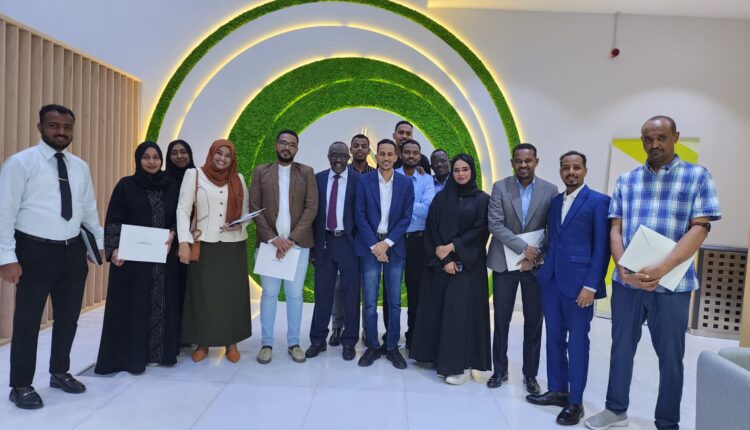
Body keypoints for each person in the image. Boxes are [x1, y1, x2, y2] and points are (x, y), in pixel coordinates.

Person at [585, 116, 721, 430]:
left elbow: (700, 228)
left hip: (673, 284)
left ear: (676, 137)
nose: (654, 144)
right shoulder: (627, 180)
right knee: (621, 349)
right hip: (628, 284)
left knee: (671, 357)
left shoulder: (697, 176)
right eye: (648, 138)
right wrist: (622, 267)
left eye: (661, 137)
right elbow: (615, 228)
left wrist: (664, 267)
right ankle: (615, 410)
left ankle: (667, 422)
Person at [0, 104, 104, 409]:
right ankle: (21, 384)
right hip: (34, 250)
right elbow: (4, 213)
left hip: (73, 250)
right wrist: (6, 257)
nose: (61, 132)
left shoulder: (80, 166)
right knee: (28, 320)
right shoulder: (20, 163)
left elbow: (88, 209)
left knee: (69, 317)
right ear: (40, 127)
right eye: (54, 126)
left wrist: (97, 244)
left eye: (67, 127)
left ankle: (60, 372)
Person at [527, 151, 610, 426]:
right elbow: (554, 239)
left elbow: (602, 249)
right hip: (551, 281)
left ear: (585, 170)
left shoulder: (599, 202)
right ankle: (558, 390)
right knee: (553, 337)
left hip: (579, 286)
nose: (571, 172)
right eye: (566, 168)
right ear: (560, 171)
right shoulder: (555, 202)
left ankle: (575, 401)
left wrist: (591, 285)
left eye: (576, 167)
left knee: (577, 343)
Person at [95, 141, 180, 374]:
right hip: (132, 260)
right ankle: (131, 356)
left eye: (156, 157)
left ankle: (159, 353)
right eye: (146, 157)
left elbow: (179, 215)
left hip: (162, 257)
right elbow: (113, 219)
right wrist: (114, 249)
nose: (152, 161)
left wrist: (174, 232)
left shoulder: (170, 186)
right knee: (133, 305)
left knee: (160, 303)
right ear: (138, 160)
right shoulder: (126, 185)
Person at [409, 154, 491, 385]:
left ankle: (460, 366)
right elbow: (432, 230)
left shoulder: (482, 200)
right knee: (438, 311)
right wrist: (444, 259)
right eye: (456, 170)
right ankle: (437, 357)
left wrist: (453, 247)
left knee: (460, 316)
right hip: (440, 265)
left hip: (468, 268)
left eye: (465, 169)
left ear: (472, 171)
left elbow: (480, 232)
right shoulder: (441, 198)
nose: (460, 174)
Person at [486, 143, 558, 393]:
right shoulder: (500, 187)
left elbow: (552, 228)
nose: (523, 165)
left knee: (534, 321)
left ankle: (530, 375)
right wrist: (523, 248)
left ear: (536, 161)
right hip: (504, 264)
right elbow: (495, 224)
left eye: (528, 160)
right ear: (512, 163)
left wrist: (534, 256)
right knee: (501, 319)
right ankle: (500, 370)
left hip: (534, 266)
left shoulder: (550, 190)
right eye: (518, 161)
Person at [177, 139, 251, 363]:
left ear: (232, 159)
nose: (222, 159)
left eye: (228, 155)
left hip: (233, 245)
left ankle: (231, 342)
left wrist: (240, 225)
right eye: (219, 153)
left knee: (232, 296)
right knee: (203, 295)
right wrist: (183, 241)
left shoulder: (238, 178)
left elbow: (246, 212)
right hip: (204, 244)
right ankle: (203, 342)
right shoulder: (194, 175)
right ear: (211, 153)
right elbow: (183, 210)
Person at [250, 130, 317, 365]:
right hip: (268, 245)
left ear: (297, 149)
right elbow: (254, 207)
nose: (287, 147)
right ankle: (266, 343)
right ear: (276, 145)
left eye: (292, 144)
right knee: (269, 294)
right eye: (283, 143)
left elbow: (311, 207)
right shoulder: (261, 171)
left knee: (295, 295)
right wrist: (273, 239)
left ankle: (294, 343)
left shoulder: (306, 172)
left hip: (297, 246)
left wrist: (291, 240)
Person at [355, 139, 414, 369]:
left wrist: (386, 244)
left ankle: (391, 347)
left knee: (394, 302)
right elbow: (359, 215)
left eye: (390, 154)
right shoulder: (364, 181)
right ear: (376, 156)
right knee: (369, 301)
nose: (386, 158)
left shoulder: (406, 183)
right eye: (382, 154)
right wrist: (375, 246)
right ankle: (372, 346)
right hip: (370, 247)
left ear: (396, 156)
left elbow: (406, 218)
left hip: (394, 247)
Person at [306, 142, 360, 361]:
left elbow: (363, 214)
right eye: (334, 155)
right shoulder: (317, 179)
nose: (338, 160)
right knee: (322, 294)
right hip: (324, 243)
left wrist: (358, 244)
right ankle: (318, 340)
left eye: (342, 156)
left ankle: (349, 342)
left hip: (348, 243)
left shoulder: (359, 180)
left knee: (351, 295)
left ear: (348, 157)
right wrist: (312, 247)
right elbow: (311, 214)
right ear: (328, 156)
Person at [329, 133, 375, 346]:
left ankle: (366, 329)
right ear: (350, 150)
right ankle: (337, 328)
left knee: (367, 288)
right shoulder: (340, 173)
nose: (359, 149)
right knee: (340, 288)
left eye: (363, 146)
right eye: (355, 146)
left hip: (366, 242)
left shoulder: (375, 175)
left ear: (368, 150)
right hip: (345, 243)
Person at [395, 139, 435, 350]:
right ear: (400, 154)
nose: (411, 156)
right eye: (407, 152)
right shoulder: (392, 175)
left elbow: (428, 208)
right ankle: (391, 336)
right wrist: (413, 207)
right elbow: (389, 208)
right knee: (392, 292)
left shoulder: (427, 179)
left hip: (418, 242)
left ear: (420, 155)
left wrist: (402, 207)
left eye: (415, 153)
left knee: (415, 292)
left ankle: (413, 337)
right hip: (395, 240)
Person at [164, 139, 196, 344]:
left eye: (183, 152)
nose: (179, 156)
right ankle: (172, 334)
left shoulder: (199, 178)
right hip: (168, 242)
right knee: (171, 287)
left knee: (190, 287)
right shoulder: (163, 180)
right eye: (174, 153)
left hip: (193, 241)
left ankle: (188, 333)